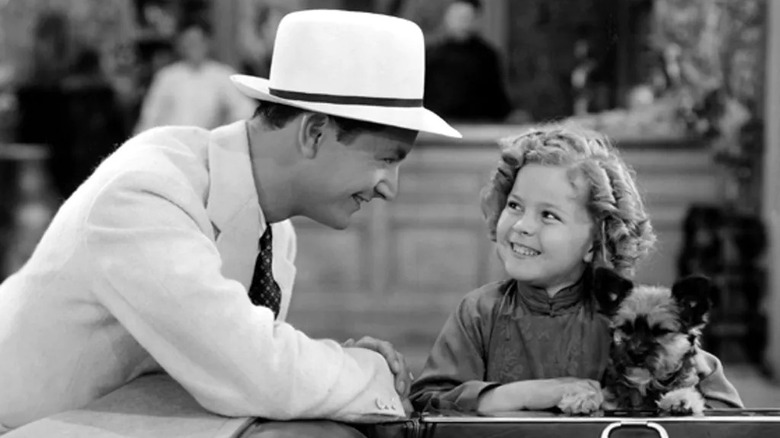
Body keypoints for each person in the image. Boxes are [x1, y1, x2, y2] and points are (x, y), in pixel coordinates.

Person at [0, 9, 461, 433]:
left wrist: (332, 363)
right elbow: (251, 372)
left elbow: (237, 357)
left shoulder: (276, 231)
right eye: (385, 158)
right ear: (314, 132)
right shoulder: (145, 193)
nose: (390, 188)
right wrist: (366, 371)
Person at [408, 124, 743, 413]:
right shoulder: (479, 313)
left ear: (596, 240)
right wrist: (526, 394)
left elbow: (726, 415)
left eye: (549, 215)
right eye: (514, 205)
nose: (522, 225)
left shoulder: (625, 317)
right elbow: (426, 403)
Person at [133, 19, 255, 133]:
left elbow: (247, 112)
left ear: (208, 43)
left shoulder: (222, 75)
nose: (193, 47)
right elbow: (149, 118)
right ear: (180, 45)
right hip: (170, 144)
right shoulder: (166, 76)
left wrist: (226, 128)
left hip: (208, 145)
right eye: (188, 43)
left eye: (197, 42)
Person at [423, 0, 512, 123]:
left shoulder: (486, 56)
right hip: (438, 124)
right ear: (447, 17)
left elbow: (496, 96)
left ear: (477, 20)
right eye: (458, 17)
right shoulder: (431, 54)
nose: (462, 23)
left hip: (478, 124)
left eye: (467, 18)